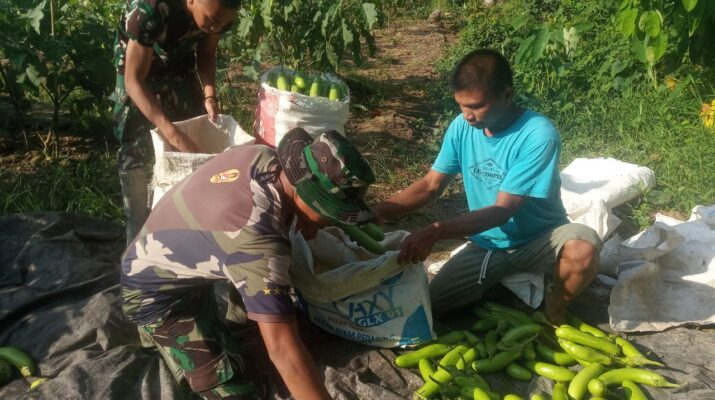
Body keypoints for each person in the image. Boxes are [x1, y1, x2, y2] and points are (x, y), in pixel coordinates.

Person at [121, 128, 376, 399]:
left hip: (180, 250)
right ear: (307, 197)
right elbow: (284, 353)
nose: (331, 221)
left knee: (261, 308)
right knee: (235, 390)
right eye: (330, 212)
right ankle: (161, 334)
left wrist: (308, 219)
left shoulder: (264, 157)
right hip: (154, 296)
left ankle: (237, 327)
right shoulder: (260, 246)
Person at [373, 49, 601, 324]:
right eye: (461, 105)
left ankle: (555, 310)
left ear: (507, 95)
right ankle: (497, 285)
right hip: (488, 244)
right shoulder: (461, 127)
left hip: (541, 239)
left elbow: (503, 210)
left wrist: (436, 231)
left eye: (476, 106)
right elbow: (431, 185)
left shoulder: (538, 135)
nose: (467, 116)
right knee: (428, 308)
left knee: (583, 246)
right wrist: (381, 210)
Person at [111, 0, 239, 245]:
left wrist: (210, 95)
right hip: (137, 61)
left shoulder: (218, 14)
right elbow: (134, 81)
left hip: (178, 59)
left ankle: (177, 224)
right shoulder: (149, 10)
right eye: (212, 20)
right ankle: (136, 232)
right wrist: (173, 134)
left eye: (223, 24)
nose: (216, 28)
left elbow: (206, 53)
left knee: (190, 124)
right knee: (134, 136)